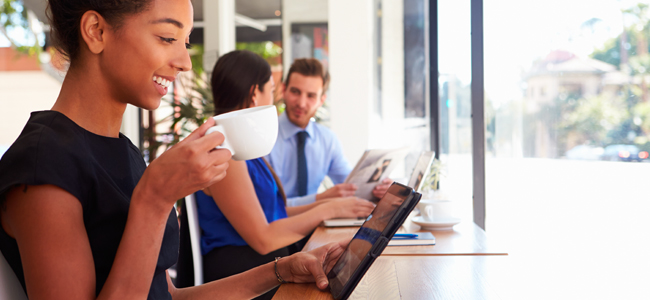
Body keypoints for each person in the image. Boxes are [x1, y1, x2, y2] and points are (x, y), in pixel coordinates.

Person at [0, 1, 351, 299]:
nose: (184, 61)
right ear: (96, 31)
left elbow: (167, 295)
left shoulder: (122, 151)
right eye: (168, 38)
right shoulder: (43, 166)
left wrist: (282, 270)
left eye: (184, 41)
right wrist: (154, 199)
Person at [197, 50, 376, 299]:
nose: (273, 99)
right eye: (271, 90)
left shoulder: (241, 144)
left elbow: (274, 214)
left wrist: (331, 203)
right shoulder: (223, 149)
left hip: (262, 263)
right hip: (241, 274)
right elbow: (263, 238)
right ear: (254, 94)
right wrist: (328, 209)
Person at [265, 58, 393, 207]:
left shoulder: (327, 140)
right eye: (295, 92)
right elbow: (267, 206)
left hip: (318, 225)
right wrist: (319, 199)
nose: (301, 103)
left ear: (321, 100)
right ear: (284, 89)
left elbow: (353, 187)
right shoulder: (265, 138)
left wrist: (379, 189)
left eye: (311, 96)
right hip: (276, 225)